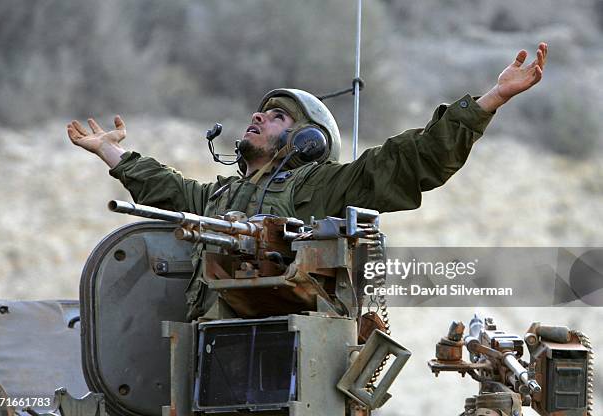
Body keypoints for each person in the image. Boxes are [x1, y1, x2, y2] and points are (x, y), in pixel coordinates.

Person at [67, 43, 548, 319]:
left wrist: (490, 100)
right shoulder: (216, 197)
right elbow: (164, 189)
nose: (258, 116)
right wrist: (110, 150)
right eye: (261, 110)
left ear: (309, 141)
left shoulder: (321, 188)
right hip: (201, 356)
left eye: (276, 116)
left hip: (280, 357)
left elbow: (411, 161)